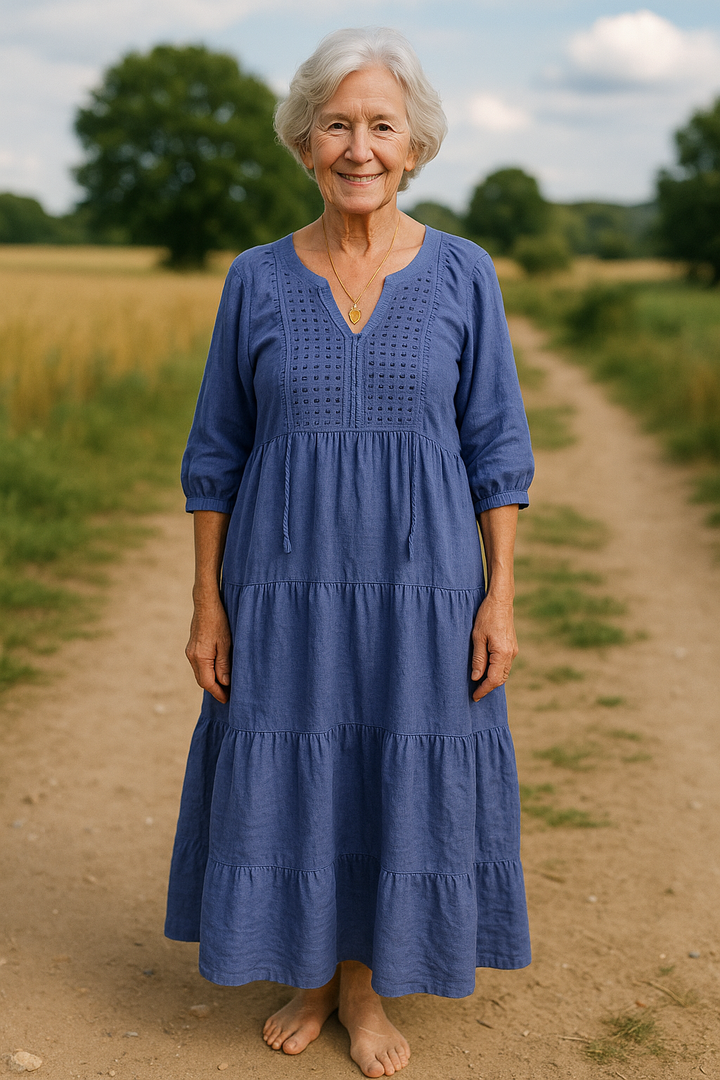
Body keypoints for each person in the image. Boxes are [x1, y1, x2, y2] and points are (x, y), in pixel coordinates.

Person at [165, 26, 534, 1079]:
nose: (359, 147)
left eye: (381, 126)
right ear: (303, 143)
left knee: (394, 770)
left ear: (415, 145)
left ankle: (365, 989)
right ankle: (314, 975)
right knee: (301, 768)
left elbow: (497, 451)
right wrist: (207, 601)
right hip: (283, 588)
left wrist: (500, 596)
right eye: (336, 125)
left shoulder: (464, 273)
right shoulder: (254, 279)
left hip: (426, 590)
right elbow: (214, 455)